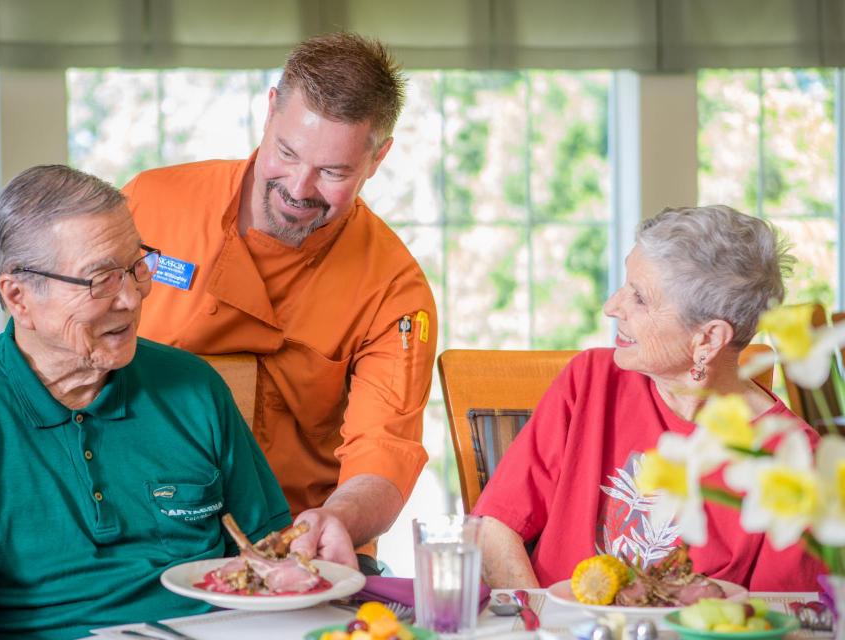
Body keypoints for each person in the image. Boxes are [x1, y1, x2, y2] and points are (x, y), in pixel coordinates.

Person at [0, 165, 294, 640]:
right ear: (18, 297)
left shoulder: (194, 387)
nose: (132, 298)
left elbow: (268, 555)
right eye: (99, 279)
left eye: (135, 266)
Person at [122, 32, 437, 572]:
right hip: (136, 535)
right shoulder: (150, 205)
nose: (298, 187)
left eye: (333, 172)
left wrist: (335, 520)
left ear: (378, 157)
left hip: (299, 548)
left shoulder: (395, 288)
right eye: (286, 153)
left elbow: (382, 454)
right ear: (270, 110)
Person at [473, 205, 824, 591]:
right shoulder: (590, 380)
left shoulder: (794, 463)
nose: (612, 307)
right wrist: (539, 628)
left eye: (639, 298)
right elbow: (495, 527)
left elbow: (777, 620)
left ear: (707, 339)